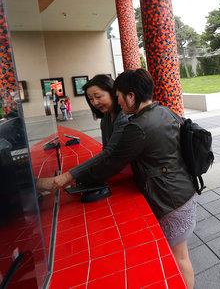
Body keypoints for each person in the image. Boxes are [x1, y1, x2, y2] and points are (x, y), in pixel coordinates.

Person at [38, 69, 197, 287]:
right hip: (181, 191)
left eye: (119, 95)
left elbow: (110, 159)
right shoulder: (162, 111)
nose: (118, 100)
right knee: (180, 255)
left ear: (131, 96)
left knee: (178, 257)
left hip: (170, 198)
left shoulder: (137, 126)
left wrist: (65, 178)